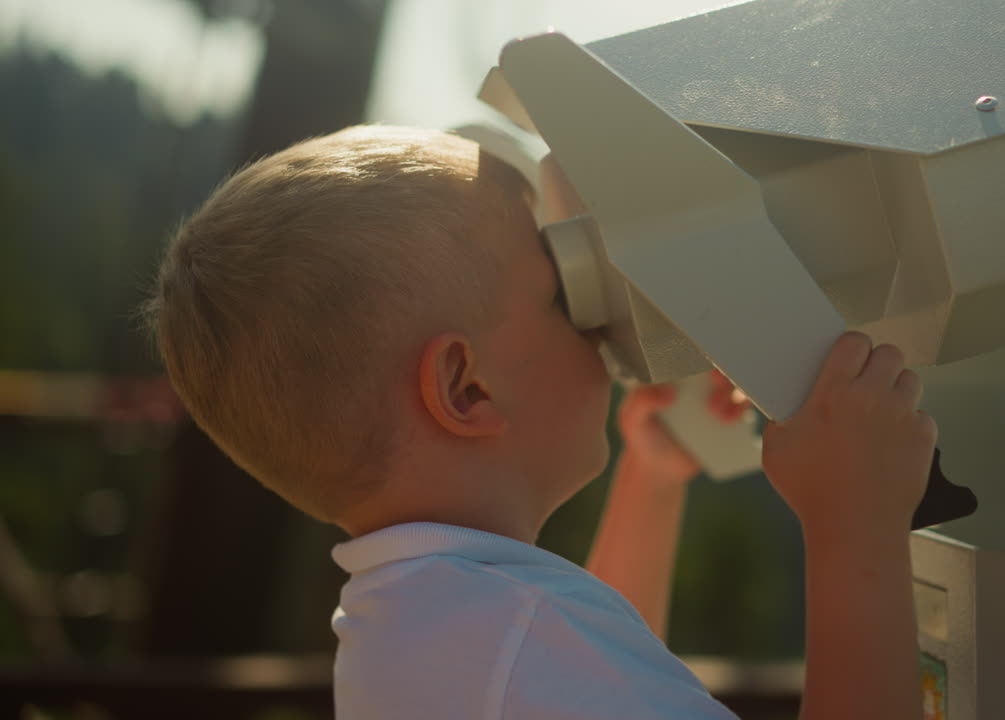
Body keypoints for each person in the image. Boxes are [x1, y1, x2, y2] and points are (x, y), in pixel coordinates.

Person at [145, 125, 936, 719]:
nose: (597, 322)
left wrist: (650, 485)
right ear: (467, 388)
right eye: (560, 293)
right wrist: (855, 522)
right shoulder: (509, 640)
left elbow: (599, 670)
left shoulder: (428, 627)